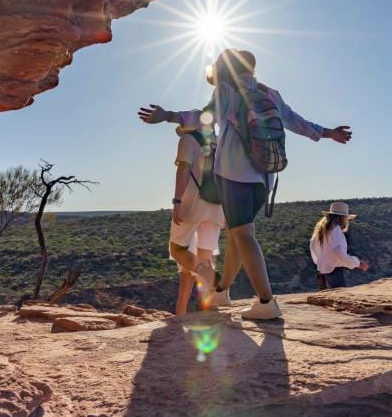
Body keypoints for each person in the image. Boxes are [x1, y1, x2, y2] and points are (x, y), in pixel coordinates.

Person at [138, 49, 352, 319]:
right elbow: (296, 121)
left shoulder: (226, 91)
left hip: (233, 175)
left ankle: (266, 302)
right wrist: (329, 133)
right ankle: (222, 291)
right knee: (240, 235)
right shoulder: (269, 93)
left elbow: (204, 118)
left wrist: (167, 115)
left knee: (243, 236)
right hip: (265, 179)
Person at [168, 126, 225, 315]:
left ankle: (214, 280)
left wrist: (177, 200)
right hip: (216, 206)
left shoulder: (187, 139)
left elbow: (184, 168)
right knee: (206, 257)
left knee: (177, 250)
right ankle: (207, 310)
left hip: (192, 204)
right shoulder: (219, 143)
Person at [310, 202, 369, 290]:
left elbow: (313, 248)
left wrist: (322, 264)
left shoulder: (321, 231)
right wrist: (357, 263)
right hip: (334, 274)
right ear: (342, 218)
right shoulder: (335, 230)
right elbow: (338, 253)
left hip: (323, 273)